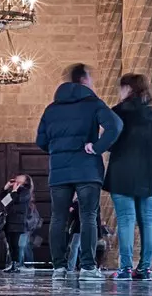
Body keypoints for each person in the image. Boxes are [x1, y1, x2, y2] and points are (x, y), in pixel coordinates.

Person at [36, 63, 122, 276]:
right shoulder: (93, 103)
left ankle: (58, 267)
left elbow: (41, 141)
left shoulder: (51, 109)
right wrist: (98, 147)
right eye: (90, 78)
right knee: (88, 216)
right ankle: (88, 267)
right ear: (84, 80)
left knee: (58, 217)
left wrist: (57, 150)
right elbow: (115, 126)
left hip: (59, 171)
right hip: (87, 169)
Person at [102, 73, 152, 280]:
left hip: (122, 171)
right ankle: (144, 268)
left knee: (125, 220)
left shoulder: (117, 112)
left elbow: (109, 142)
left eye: (121, 87)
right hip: (147, 173)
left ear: (128, 88)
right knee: (147, 221)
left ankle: (125, 268)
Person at [0, 174, 36, 271]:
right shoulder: (14, 191)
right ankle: (13, 264)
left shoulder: (26, 192)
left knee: (15, 244)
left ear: (25, 181)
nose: (17, 177)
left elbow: (16, 199)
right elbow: (4, 200)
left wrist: (14, 191)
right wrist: (6, 188)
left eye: (20, 177)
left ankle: (16, 265)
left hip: (17, 222)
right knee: (10, 244)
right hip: (9, 221)